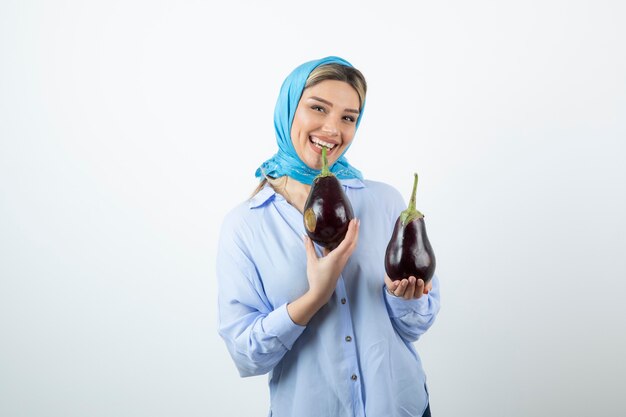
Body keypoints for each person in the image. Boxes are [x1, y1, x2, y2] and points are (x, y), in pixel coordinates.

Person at [217, 56, 441, 417]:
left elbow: (418, 324)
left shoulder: (385, 202)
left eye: (348, 117)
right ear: (288, 109)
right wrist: (314, 298)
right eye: (318, 108)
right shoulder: (245, 226)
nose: (332, 129)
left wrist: (406, 299)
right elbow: (246, 355)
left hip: (402, 406)